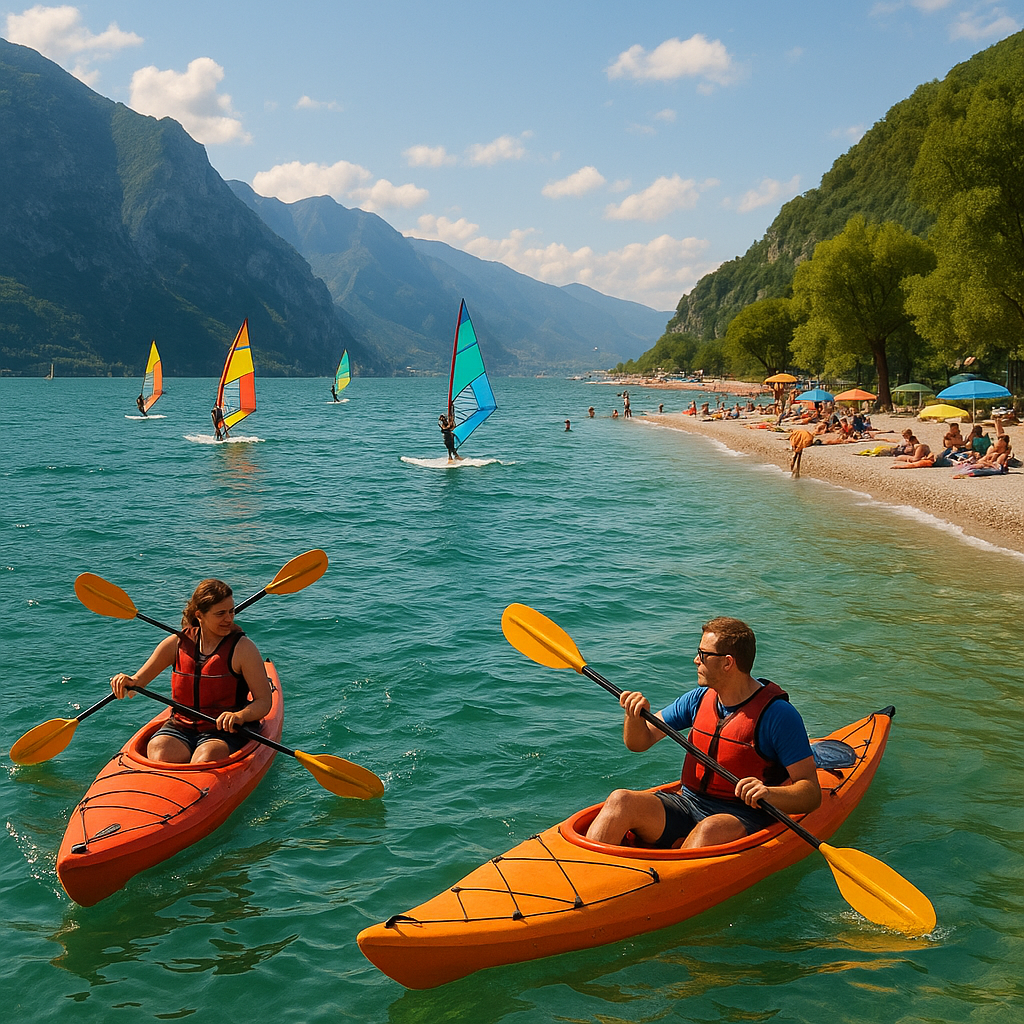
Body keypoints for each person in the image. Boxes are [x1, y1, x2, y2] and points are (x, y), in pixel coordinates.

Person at [585, 617, 820, 849]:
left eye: (703, 654)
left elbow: (811, 794)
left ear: (727, 663)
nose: (696, 660)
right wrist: (633, 715)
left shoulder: (778, 716)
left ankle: (674, 871)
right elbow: (639, 742)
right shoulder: (698, 700)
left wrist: (768, 794)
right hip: (689, 803)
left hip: (745, 815)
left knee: (709, 828)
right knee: (621, 800)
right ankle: (586, 866)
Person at [109, 579, 273, 764]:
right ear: (199, 615)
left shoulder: (243, 648)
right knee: (158, 750)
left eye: (231, 611)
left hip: (224, 732)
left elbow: (264, 702)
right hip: (181, 727)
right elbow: (137, 682)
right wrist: (125, 681)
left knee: (206, 757)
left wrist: (239, 716)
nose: (229, 619)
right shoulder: (176, 643)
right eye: (220, 613)